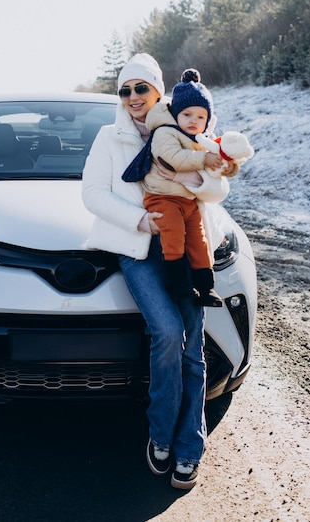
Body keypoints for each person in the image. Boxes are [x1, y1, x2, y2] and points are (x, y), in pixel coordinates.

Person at [82, 53, 232, 490]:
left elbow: (219, 180)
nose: (132, 97)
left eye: (140, 88)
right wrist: (142, 221)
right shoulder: (109, 139)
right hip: (138, 248)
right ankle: (160, 433)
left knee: (192, 350)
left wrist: (201, 184)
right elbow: (92, 194)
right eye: (125, 90)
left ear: (157, 90)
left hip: (188, 249)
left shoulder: (188, 124)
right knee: (167, 333)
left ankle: (189, 447)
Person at [142, 68, 225, 307]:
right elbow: (172, 158)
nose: (193, 121)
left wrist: (224, 164)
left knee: (199, 242)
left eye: (200, 117)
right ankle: (179, 286)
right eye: (187, 114)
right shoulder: (164, 132)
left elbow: (218, 171)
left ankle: (206, 288)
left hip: (189, 201)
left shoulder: (203, 140)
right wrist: (204, 160)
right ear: (176, 114)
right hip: (163, 198)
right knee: (174, 239)